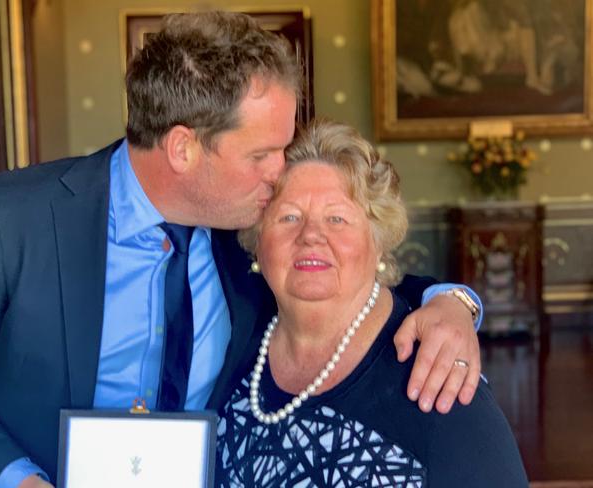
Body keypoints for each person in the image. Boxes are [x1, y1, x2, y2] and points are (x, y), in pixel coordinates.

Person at [0, 12, 482, 488]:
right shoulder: (6, 219)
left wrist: (452, 301)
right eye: (263, 154)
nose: (281, 173)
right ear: (183, 148)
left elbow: (341, 273)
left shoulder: (246, 228)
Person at [216, 119, 527, 487]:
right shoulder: (231, 341)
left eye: (337, 218)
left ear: (378, 240)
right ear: (257, 242)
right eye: (289, 217)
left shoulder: (436, 379)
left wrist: (455, 302)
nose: (311, 236)